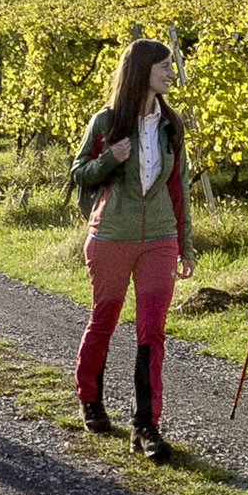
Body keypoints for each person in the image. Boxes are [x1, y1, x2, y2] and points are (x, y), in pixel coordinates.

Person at [68, 37, 193, 462]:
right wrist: (111, 159)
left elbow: (178, 189)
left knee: (152, 331)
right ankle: (90, 397)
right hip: (111, 238)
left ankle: (146, 426)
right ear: (143, 71)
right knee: (104, 319)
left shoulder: (171, 125)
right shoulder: (105, 121)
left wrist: (185, 245)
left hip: (159, 237)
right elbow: (79, 173)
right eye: (165, 66)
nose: (172, 72)